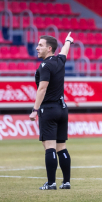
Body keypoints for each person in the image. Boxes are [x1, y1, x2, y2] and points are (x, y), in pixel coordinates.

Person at [29, 32, 74, 190]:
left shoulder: (45, 66)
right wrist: (68, 40)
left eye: (40, 45)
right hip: (62, 109)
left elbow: (42, 89)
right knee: (61, 147)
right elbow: (65, 51)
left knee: (49, 147)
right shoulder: (59, 60)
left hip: (48, 109)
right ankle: (66, 182)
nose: (37, 47)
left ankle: (51, 183)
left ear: (49, 49)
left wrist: (35, 110)